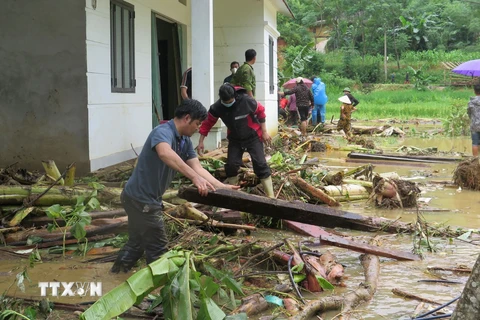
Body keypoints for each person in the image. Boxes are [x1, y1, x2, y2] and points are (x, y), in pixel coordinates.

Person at [111, 99, 238, 273]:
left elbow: (197, 167)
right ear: (187, 118)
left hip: (140, 199)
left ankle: (116, 275)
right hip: (141, 201)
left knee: (137, 242)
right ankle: (159, 293)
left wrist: (221, 187)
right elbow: (164, 153)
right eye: (197, 124)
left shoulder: (184, 142)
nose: (198, 129)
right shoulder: (163, 131)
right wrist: (194, 178)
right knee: (158, 250)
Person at [197, 83, 274, 198]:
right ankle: (234, 195)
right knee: (231, 166)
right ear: (221, 99)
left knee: (260, 164)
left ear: (235, 96)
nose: (228, 104)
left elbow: (261, 112)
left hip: (253, 136)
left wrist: (264, 131)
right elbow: (208, 123)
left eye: (230, 101)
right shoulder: (217, 107)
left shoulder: (247, 101)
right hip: (235, 139)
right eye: (226, 102)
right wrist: (201, 142)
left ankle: (271, 197)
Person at [467, 84, 480, 157]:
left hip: (474, 125)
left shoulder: (471, 102)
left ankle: (475, 161)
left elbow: (469, 113)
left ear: (474, 91)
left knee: (475, 143)